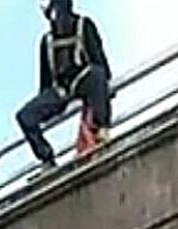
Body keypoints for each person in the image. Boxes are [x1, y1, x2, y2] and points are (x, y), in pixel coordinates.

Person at [16, 0, 112, 175]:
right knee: (25, 116)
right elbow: (45, 84)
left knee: (97, 74)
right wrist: (45, 105)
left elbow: (101, 64)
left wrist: (102, 96)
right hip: (59, 91)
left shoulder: (84, 26)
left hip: (84, 79)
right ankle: (47, 159)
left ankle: (102, 129)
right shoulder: (47, 41)